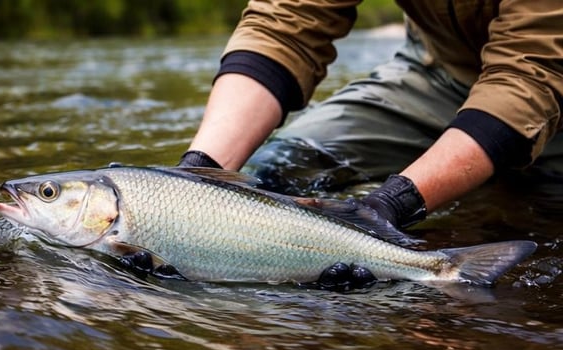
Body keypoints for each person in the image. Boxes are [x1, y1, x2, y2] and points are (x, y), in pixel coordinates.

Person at [180, 1, 563, 288]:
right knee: (281, 169)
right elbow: (285, 25)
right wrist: (193, 176)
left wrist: (393, 203)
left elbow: (531, 77)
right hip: (437, 71)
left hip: (545, 85)